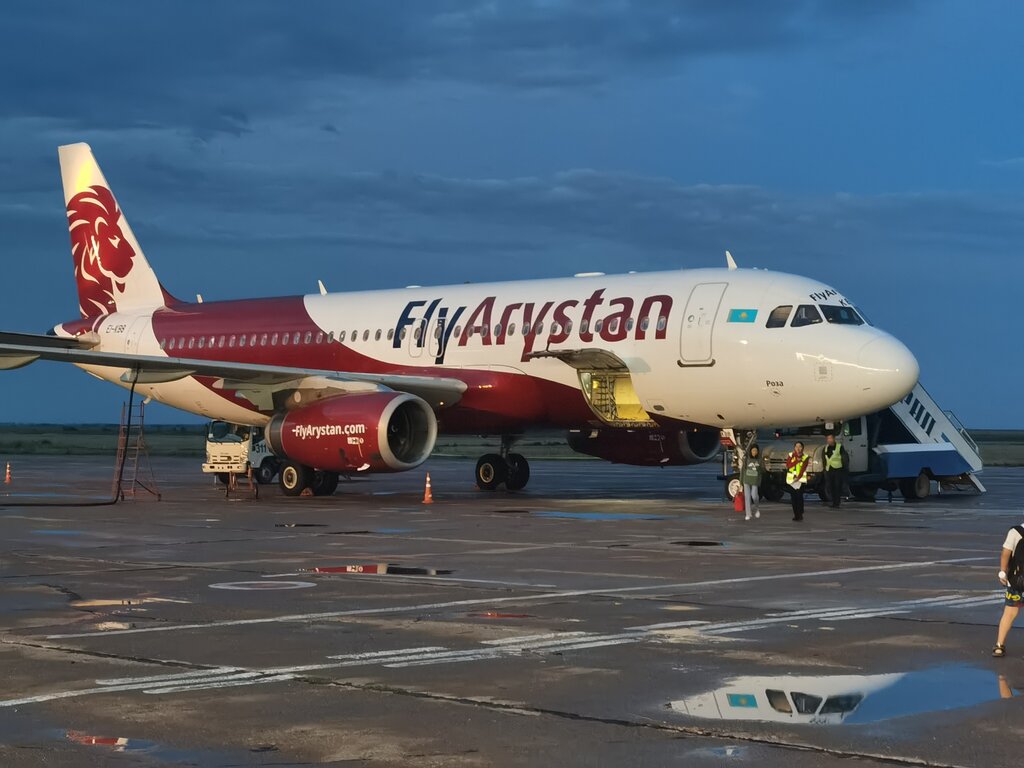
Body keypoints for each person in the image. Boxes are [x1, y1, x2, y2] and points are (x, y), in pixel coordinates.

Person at [994, 522, 1024, 657]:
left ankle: (999, 646)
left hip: (1016, 582)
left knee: (1009, 613)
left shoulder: (1016, 532)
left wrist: (1002, 572)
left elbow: (1006, 553)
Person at [823, 433, 848, 509]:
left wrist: (845, 468)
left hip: (838, 469)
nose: (829, 440)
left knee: (837, 486)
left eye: (830, 438)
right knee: (831, 487)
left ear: (834, 439)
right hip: (829, 469)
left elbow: (844, 458)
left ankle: (837, 503)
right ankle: (834, 502)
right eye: (828, 439)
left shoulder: (839, 447)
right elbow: (824, 458)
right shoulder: (826, 448)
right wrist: (825, 468)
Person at [786, 441, 809, 521]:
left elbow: (803, 468)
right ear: (794, 448)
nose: (798, 448)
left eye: (800, 447)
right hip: (792, 480)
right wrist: (796, 461)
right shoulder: (790, 455)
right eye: (796, 447)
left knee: (799, 497)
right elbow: (788, 465)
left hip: (800, 480)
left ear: (802, 448)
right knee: (793, 498)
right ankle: (796, 514)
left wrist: (798, 478)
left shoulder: (805, 457)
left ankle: (800, 514)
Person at [741, 444, 763, 521]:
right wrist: (741, 482)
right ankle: (748, 514)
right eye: (753, 450)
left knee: (754, 496)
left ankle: (757, 508)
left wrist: (759, 481)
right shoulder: (746, 459)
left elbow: (761, 471)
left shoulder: (760, 460)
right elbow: (743, 470)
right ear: (750, 451)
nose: (754, 452)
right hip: (746, 480)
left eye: (756, 451)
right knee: (747, 497)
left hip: (755, 480)